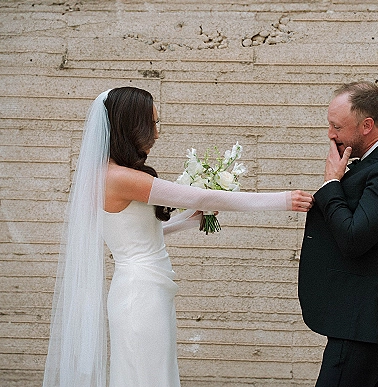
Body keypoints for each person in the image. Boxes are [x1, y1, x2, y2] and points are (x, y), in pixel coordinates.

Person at [43, 87, 314, 387]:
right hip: (141, 295)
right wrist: (283, 200)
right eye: (153, 124)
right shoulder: (122, 178)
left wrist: (186, 221)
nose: (157, 134)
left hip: (141, 288)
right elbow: (203, 196)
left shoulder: (104, 174)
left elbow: (137, 239)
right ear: (132, 126)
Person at [298, 81, 378, 386]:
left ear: (366, 125)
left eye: (336, 126)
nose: (331, 134)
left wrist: (331, 184)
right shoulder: (375, 164)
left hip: (364, 324)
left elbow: (354, 238)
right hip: (365, 323)